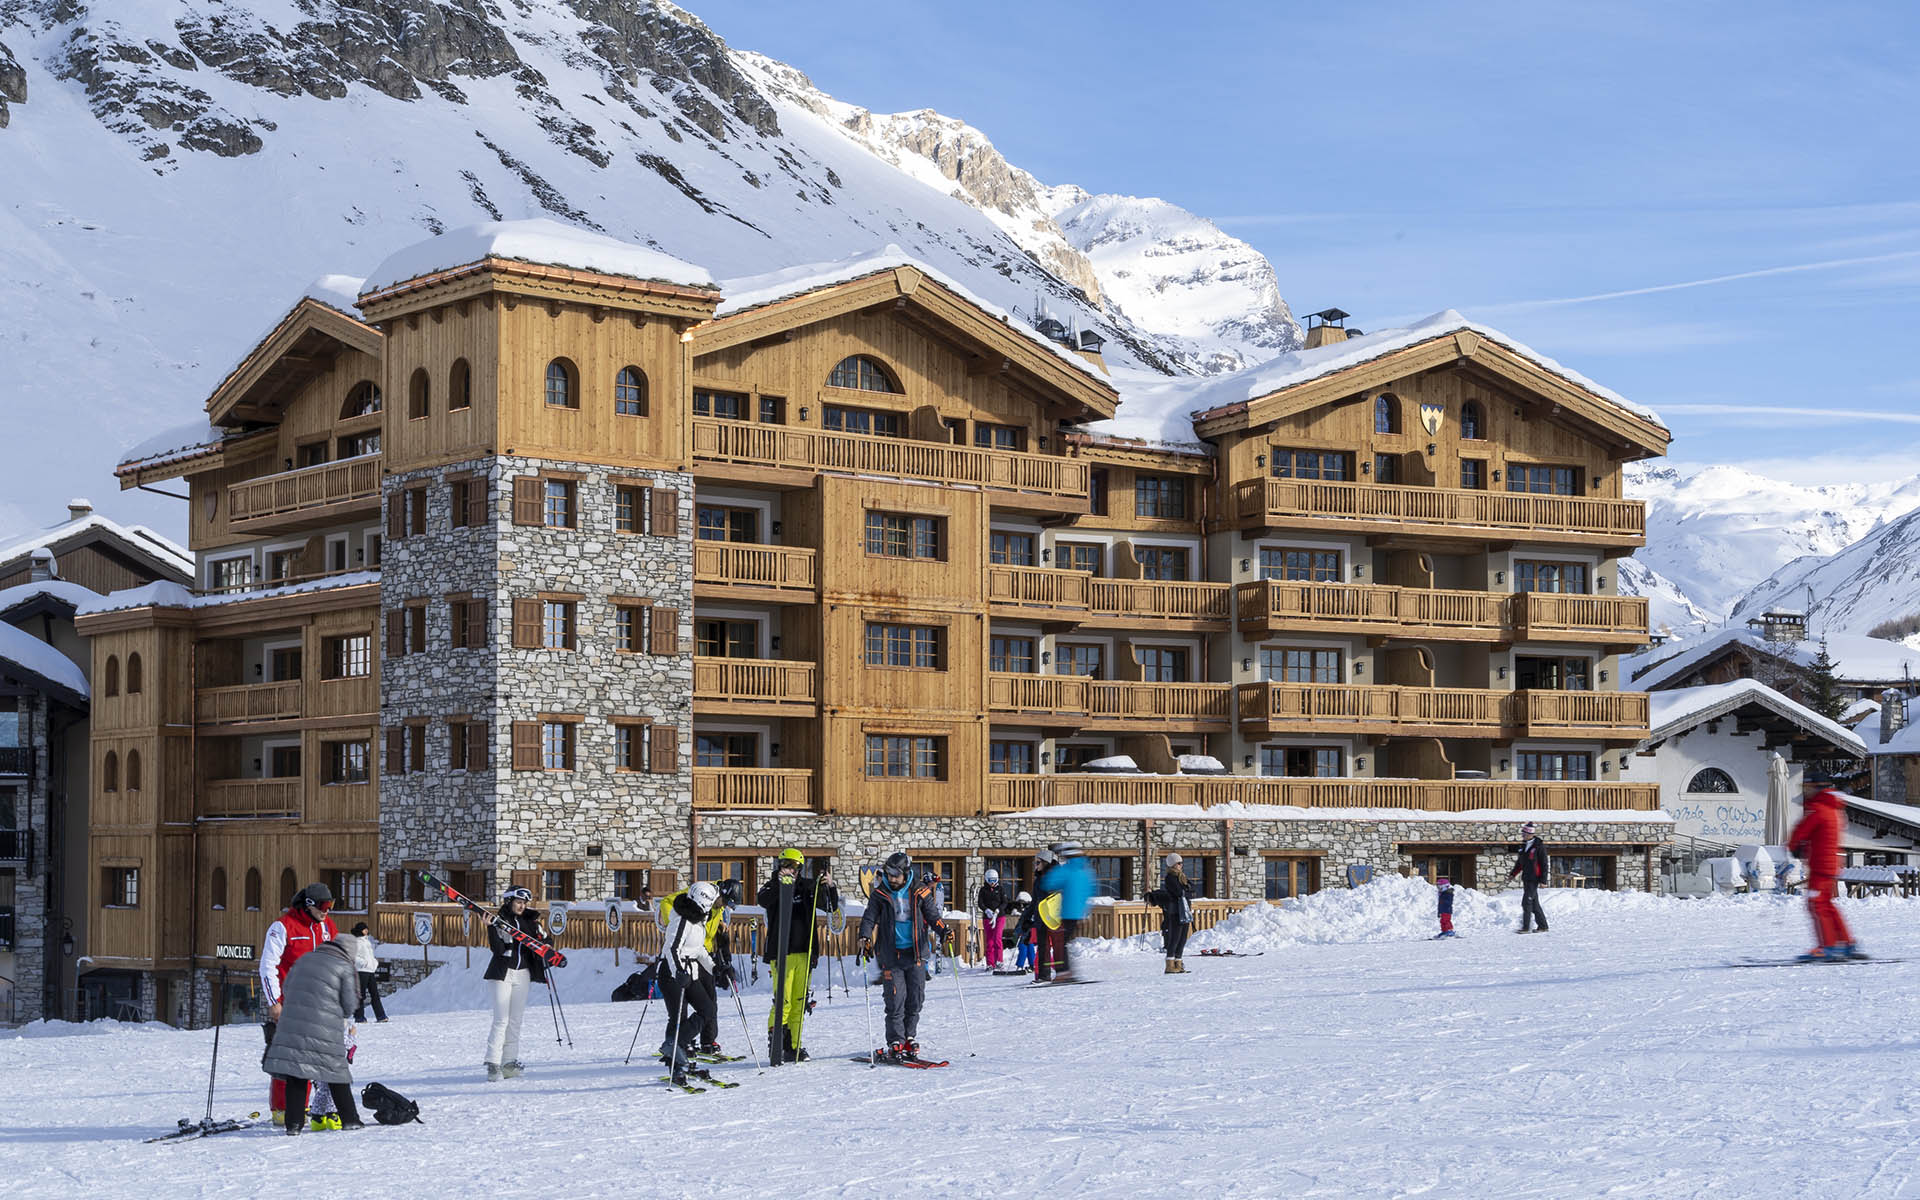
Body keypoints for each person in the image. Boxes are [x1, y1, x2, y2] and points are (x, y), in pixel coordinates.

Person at [261, 932, 364, 1135]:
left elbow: (287, 986)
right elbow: (350, 1003)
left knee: (297, 1073)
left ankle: (293, 1125)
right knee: (335, 1070)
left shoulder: (305, 959)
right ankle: (350, 1119)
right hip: (323, 1026)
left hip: (293, 1022)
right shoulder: (343, 966)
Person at [258, 881, 339, 1126]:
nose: (327, 911)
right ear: (309, 905)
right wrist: (274, 1002)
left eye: (331, 905)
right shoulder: (282, 927)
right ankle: (283, 1109)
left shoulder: (327, 927)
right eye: (324, 906)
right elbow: (267, 966)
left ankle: (315, 1106)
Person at [858, 852, 947, 1062]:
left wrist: (944, 931)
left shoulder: (920, 891)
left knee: (915, 998)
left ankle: (909, 1036)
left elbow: (933, 916)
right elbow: (869, 917)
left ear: (906, 873)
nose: (891, 878)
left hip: (915, 953)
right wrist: (864, 936)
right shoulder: (880, 894)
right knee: (895, 999)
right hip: (891, 954)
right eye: (888, 874)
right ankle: (895, 1040)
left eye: (896, 874)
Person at [756, 849, 839, 1064]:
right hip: (781, 953)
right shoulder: (772, 886)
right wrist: (780, 883)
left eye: (793, 866)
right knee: (783, 1002)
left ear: (800, 868)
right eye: (785, 864)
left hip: (805, 951)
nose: (789, 869)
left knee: (799, 1003)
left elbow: (830, 906)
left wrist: (829, 886)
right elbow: (762, 900)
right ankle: (776, 1043)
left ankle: (794, 1046)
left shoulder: (807, 887)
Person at [656, 879, 735, 1064]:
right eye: (712, 902)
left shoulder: (699, 923)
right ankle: (675, 1060)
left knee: (708, 1008)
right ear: (703, 902)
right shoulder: (682, 921)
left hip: (690, 972)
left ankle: (674, 1044)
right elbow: (671, 949)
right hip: (672, 974)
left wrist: (717, 969)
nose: (715, 906)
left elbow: (699, 951)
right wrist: (679, 971)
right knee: (678, 1016)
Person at [1787, 772, 1860, 961]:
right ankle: (1846, 942)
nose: (1805, 792)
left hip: (1821, 865)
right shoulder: (1834, 808)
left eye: (1807, 788)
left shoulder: (1818, 808)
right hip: (1831, 865)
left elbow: (1800, 831)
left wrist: (1794, 847)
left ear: (1815, 787)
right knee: (1827, 905)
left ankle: (1827, 946)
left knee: (1816, 904)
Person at [482, 886, 552, 1081]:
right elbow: (497, 949)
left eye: (524, 903)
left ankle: (509, 1062)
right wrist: (489, 927)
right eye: (518, 902)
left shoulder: (531, 923)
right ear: (509, 902)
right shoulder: (500, 922)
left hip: (523, 975)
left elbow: (547, 940)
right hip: (502, 974)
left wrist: (547, 947)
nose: (522, 906)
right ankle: (493, 1063)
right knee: (501, 1019)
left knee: (515, 1021)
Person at [1043, 842, 1097, 981]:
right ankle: (1067, 971)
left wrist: (1052, 867)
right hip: (1079, 912)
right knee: (1063, 941)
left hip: (1067, 912)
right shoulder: (1085, 871)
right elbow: (1091, 889)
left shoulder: (1067, 869)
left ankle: (1063, 972)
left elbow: (1048, 883)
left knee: (1059, 942)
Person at [1508, 823, 1550, 934]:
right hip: (1526, 878)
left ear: (1530, 833)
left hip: (1534, 878)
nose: (1522, 835)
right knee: (1534, 904)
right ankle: (1543, 926)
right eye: (1522, 833)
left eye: (1524, 833)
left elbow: (1544, 864)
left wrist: (1543, 880)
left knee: (1526, 902)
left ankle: (1526, 927)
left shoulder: (1539, 846)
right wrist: (1513, 874)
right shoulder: (1523, 846)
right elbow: (1520, 863)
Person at [1158, 853, 1194, 973]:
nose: (1181, 865)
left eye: (1181, 863)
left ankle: (1178, 963)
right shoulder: (1170, 878)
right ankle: (1170, 964)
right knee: (1175, 937)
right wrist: (1186, 889)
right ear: (1173, 864)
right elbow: (1179, 892)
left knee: (1183, 937)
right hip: (1176, 911)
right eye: (1179, 863)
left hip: (1185, 910)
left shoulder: (1182, 876)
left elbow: (1192, 890)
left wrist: (1187, 890)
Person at [348, 921, 388, 1023]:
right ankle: (359, 1017)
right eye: (364, 928)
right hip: (361, 971)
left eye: (367, 928)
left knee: (375, 993)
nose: (366, 930)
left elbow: (371, 956)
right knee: (360, 994)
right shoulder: (356, 942)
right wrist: (363, 963)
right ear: (360, 930)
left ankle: (381, 1016)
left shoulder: (367, 942)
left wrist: (374, 963)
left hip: (370, 970)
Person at [976, 870, 1011, 970]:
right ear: (986, 879)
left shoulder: (1000, 889)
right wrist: (986, 910)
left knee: (997, 938)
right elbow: (980, 903)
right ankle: (990, 963)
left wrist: (998, 910)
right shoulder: (983, 890)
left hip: (999, 916)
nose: (992, 882)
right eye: (990, 880)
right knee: (990, 940)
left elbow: (1005, 902)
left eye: (994, 880)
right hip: (988, 917)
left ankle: (999, 961)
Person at [1009, 891, 1036, 972]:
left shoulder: (1030, 911)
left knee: (1026, 948)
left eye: (1023, 904)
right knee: (1027, 948)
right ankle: (1030, 965)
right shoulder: (1027, 911)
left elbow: (1025, 923)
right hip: (1024, 933)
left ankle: (1023, 965)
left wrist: (1020, 931)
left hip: (1026, 933)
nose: (1021, 907)